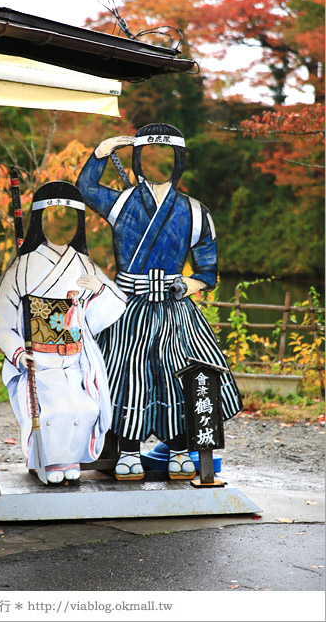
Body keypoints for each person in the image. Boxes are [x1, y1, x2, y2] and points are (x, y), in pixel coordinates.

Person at [77, 123, 243, 481]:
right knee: (123, 375)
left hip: (173, 308)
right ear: (137, 160)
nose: (157, 163)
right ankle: (127, 451)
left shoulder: (195, 211)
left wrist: (186, 285)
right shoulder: (121, 203)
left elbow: (207, 271)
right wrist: (101, 153)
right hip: (129, 305)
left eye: (166, 157)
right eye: (149, 156)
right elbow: (85, 189)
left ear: (179, 161)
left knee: (180, 374)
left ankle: (180, 450)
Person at [0, 181, 126, 485]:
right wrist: (17, 351)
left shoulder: (83, 263)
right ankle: (48, 463)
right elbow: (2, 320)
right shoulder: (22, 266)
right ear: (41, 220)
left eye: (69, 217)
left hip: (74, 356)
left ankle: (70, 459)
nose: (61, 223)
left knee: (85, 408)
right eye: (54, 215)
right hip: (40, 358)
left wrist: (100, 289)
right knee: (55, 411)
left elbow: (114, 304)